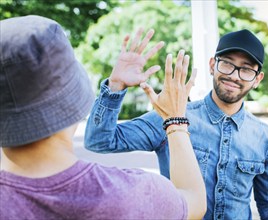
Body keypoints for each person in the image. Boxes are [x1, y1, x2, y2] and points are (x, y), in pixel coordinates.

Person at [0, 15, 206, 220]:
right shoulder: (130, 194)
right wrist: (175, 119)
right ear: (73, 99)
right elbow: (195, 200)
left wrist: (114, 87)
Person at [85, 28, 268, 219]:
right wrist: (115, 85)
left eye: (246, 70)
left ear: (257, 78)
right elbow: (99, 140)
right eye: (227, 63)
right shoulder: (172, 114)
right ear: (212, 65)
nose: (234, 75)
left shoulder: (264, 136)